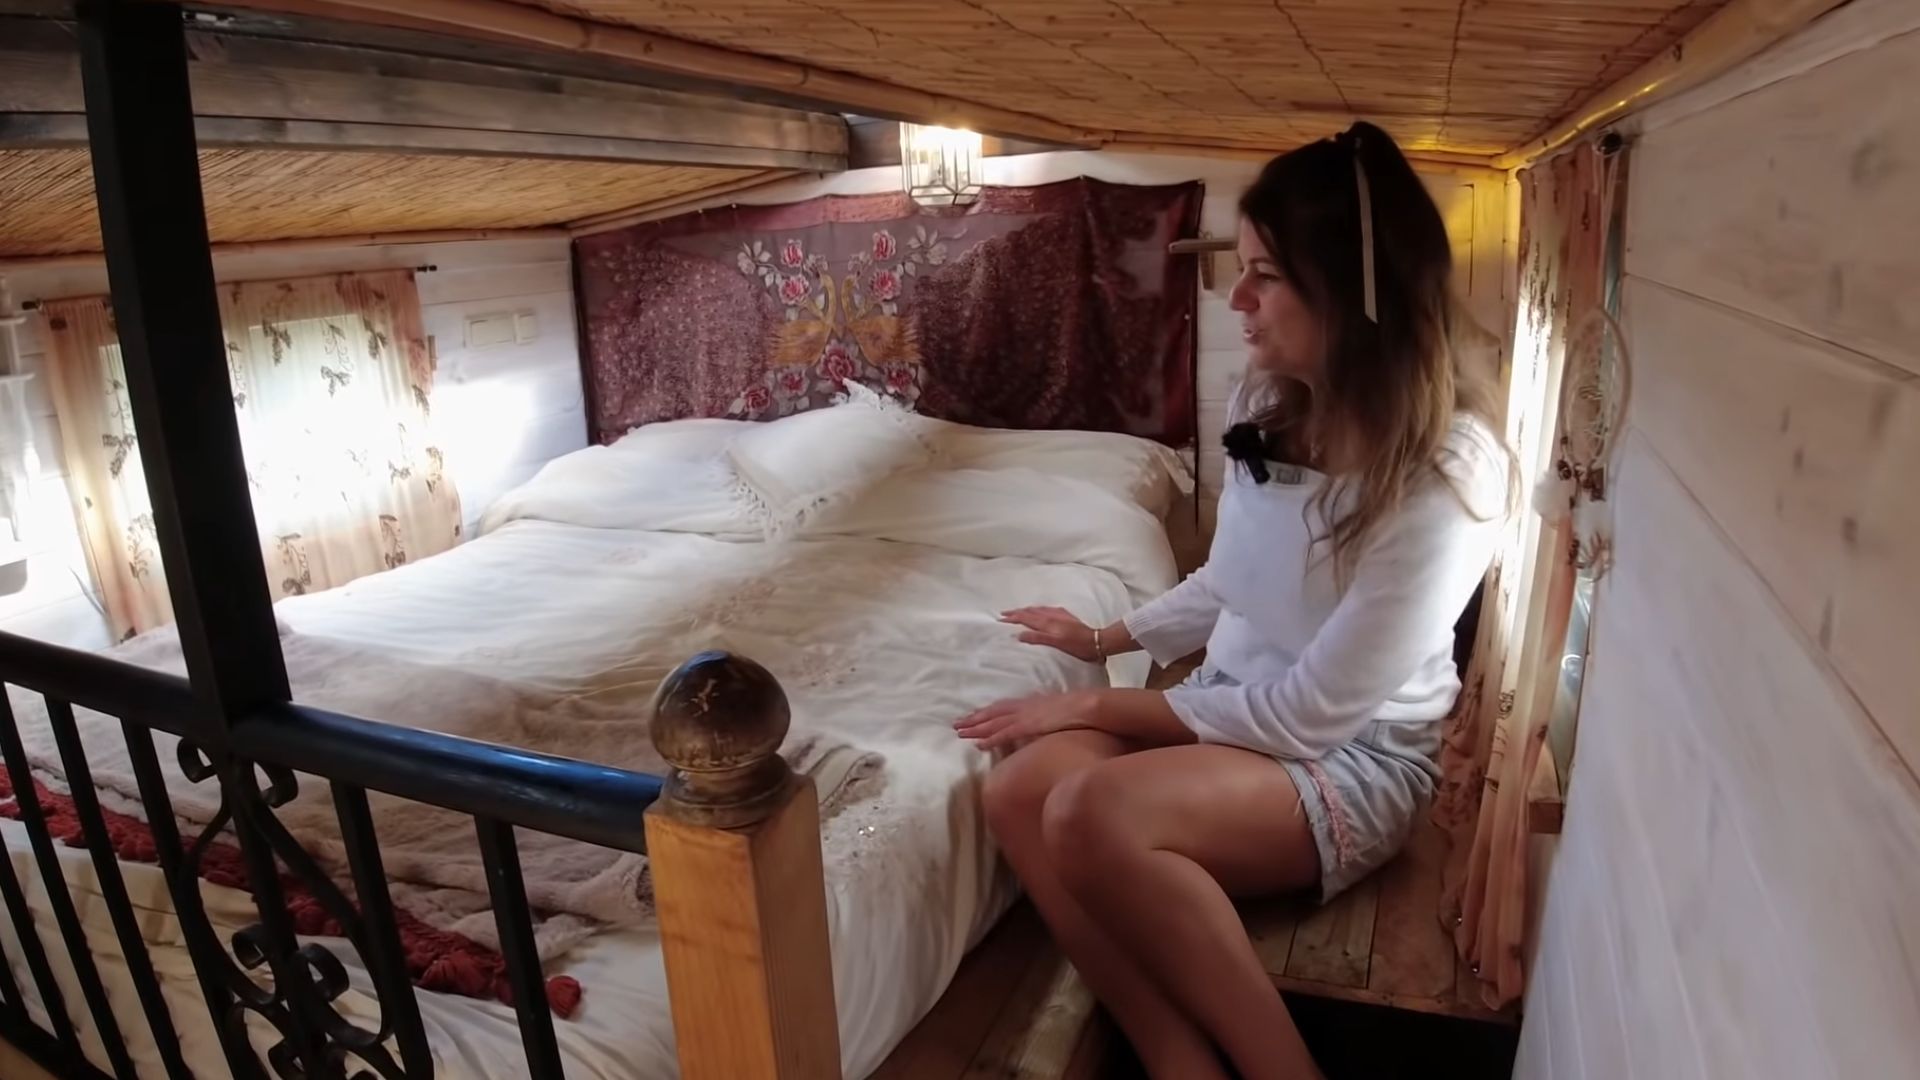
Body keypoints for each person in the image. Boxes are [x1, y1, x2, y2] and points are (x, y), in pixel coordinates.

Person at [953, 121, 1513, 1080]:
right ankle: (1179, 1058)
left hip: (1349, 757)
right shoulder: (1269, 404)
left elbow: (1308, 718)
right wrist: (1103, 636)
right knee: (1018, 793)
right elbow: (1231, 582)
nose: (1236, 299)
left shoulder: (1446, 476)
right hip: (1235, 706)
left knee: (1090, 812)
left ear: (1355, 288)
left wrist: (1093, 700)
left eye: (1266, 275)